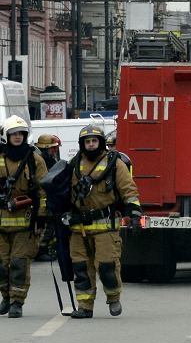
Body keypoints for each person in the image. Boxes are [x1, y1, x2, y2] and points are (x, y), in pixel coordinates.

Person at [63, 124, 142, 319]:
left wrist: (134, 213)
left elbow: (128, 190)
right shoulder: (73, 164)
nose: (91, 145)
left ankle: (113, 298)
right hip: (79, 227)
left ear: (101, 143)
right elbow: (63, 192)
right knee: (81, 268)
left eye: (94, 141)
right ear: (82, 144)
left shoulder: (115, 163)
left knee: (107, 266)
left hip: (106, 225)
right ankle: (84, 306)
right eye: (87, 141)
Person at [0, 116, 48, 318]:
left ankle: (17, 302)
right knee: (1, 265)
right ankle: (6, 296)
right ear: (6, 136)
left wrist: (41, 218)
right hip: (0, 221)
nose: (17, 137)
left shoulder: (34, 159)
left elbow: (44, 191)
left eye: (20, 134)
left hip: (25, 223)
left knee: (19, 263)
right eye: (13, 134)